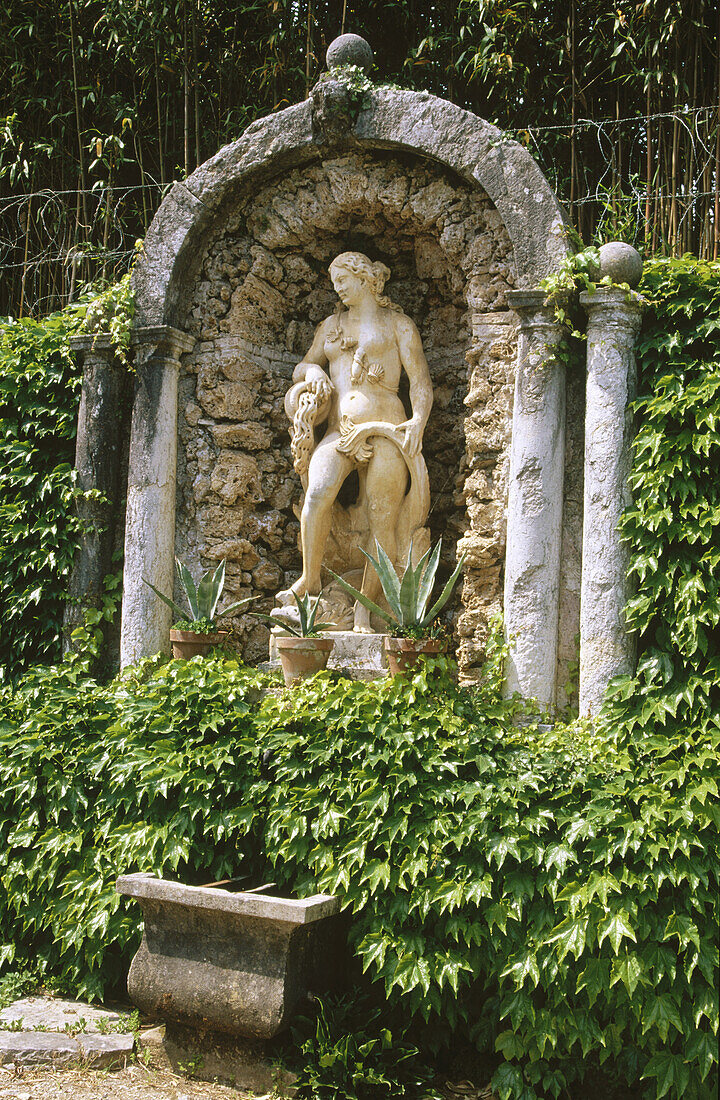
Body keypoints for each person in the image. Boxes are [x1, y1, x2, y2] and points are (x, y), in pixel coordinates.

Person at [280, 251, 433, 632]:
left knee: (383, 520)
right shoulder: (330, 325)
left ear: (364, 278)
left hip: (388, 431)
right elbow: (304, 364)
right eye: (333, 281)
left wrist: (418, 422)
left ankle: (366, 607)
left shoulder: (397, 324)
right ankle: (310, 580)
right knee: (317, 493)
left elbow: (420, 382)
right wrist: (313, 370)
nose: (337, 288)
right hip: (339, 431)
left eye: (343, 280)